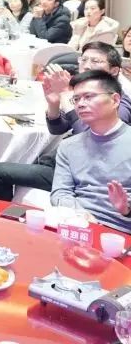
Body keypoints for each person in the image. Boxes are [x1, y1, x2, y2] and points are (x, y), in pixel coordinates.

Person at [0, 44, 131, 201]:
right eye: (83, 60)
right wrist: (54, 104)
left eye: (95, 61)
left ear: (114, 71)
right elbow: (57, 128)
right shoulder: (80, 91)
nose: (87, 65)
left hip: (80, 172)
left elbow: (91, 137)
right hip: (62, 159)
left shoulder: (119, 104)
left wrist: (66, 95)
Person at [50, 69, 131, 233]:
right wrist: (81, 214)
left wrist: (127, 210)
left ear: (115, 100)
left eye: (89, 97)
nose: (80, 104)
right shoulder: (69, 146)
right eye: (76, 99)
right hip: (77, 223)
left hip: (120, 230)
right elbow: (60, 192)